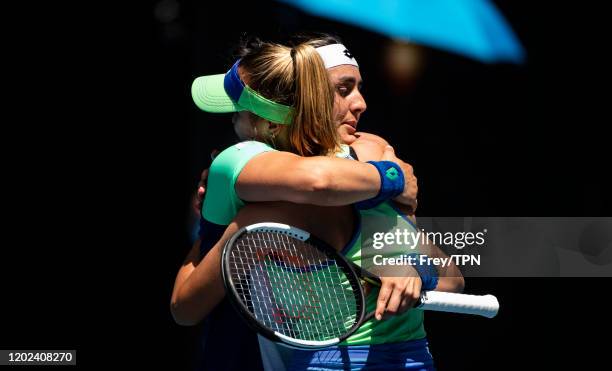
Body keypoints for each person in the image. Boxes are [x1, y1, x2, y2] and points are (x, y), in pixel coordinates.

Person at [172, 35, 463, 370]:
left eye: (236, 112)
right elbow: (318, 181)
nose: (362, 103)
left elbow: (451, 275)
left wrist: (416, 267)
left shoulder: (370, 152)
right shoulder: (244, 170)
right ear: (309, 100)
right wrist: (393, 178)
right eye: (344, 89)